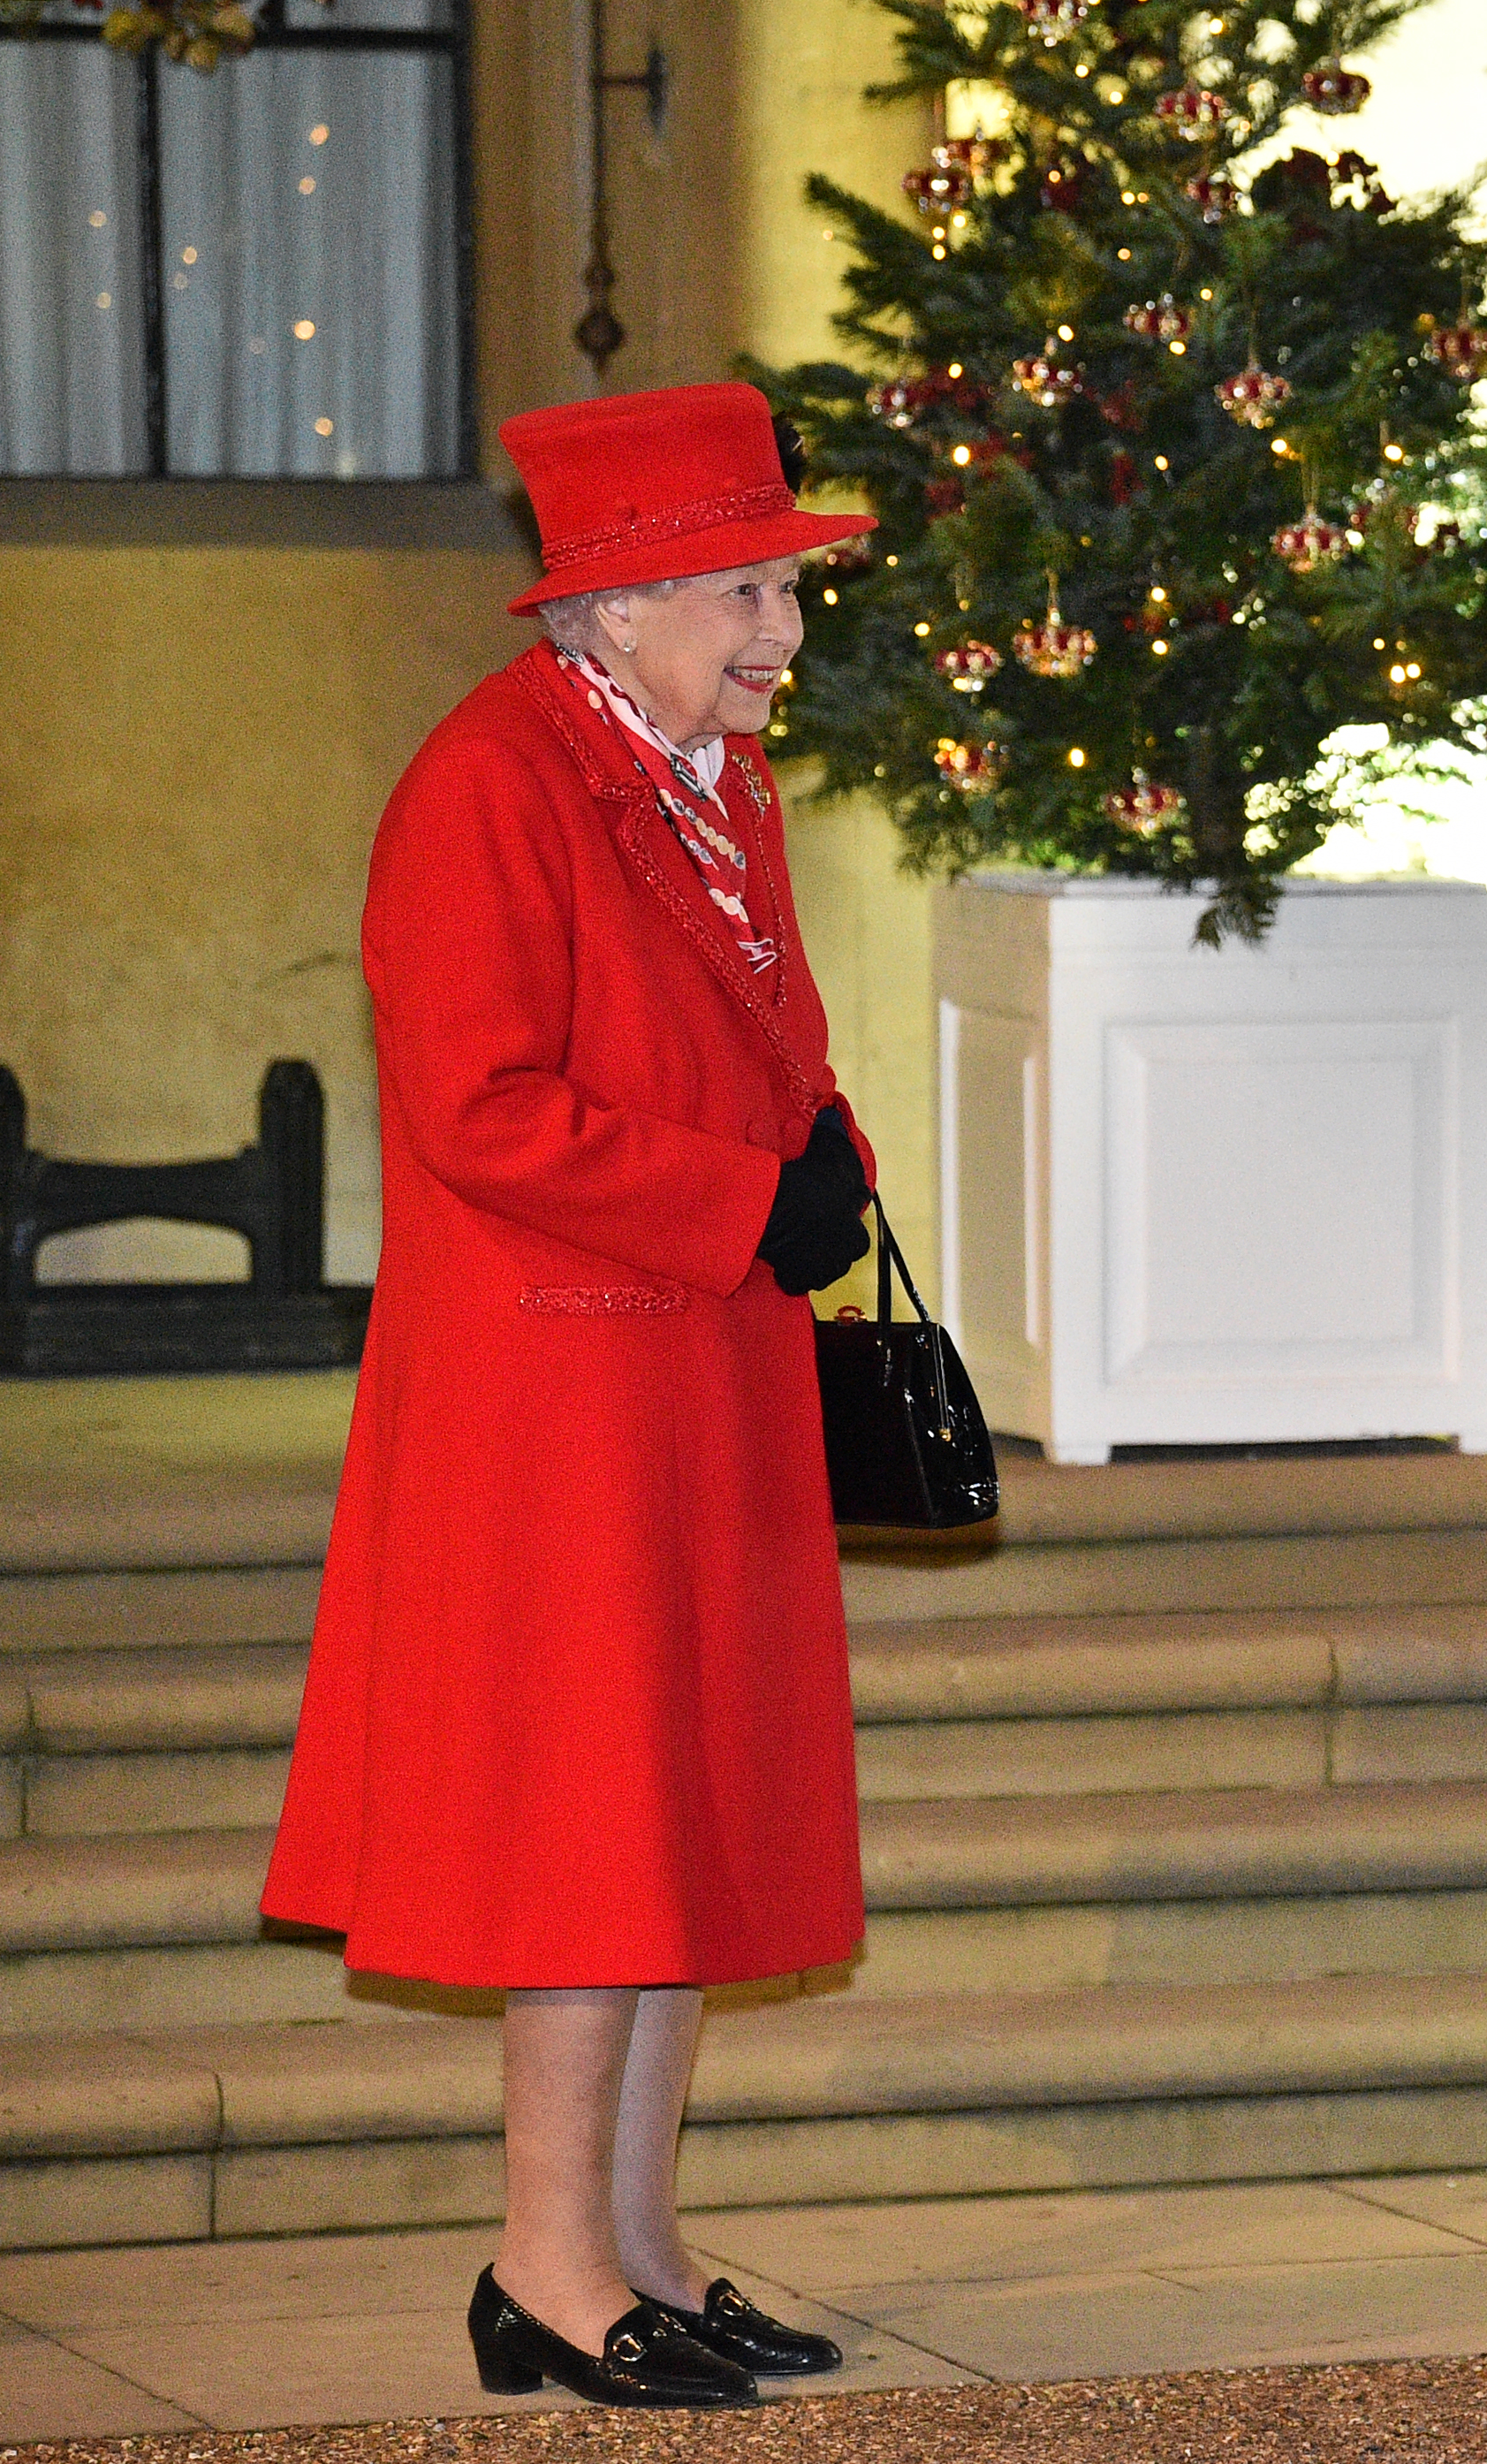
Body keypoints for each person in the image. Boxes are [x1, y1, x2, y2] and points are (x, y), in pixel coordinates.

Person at [262, 382, 883, 2411]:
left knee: (685, 1801)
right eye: (746, 588)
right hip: (557, 1382)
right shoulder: (489, 780)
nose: (783, 631)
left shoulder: (711, 769)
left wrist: (823, 1151)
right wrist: (739, 1194)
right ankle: (545, 2256)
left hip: (695, 1355)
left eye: (784, 586)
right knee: (589, 1819)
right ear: (612, 607)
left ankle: (635, 2244)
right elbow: (478, 1100)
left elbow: (745, 1021)